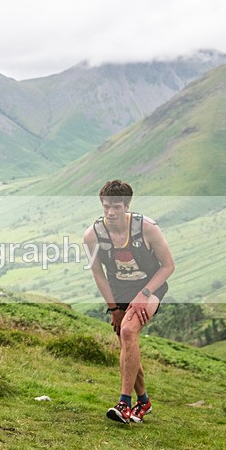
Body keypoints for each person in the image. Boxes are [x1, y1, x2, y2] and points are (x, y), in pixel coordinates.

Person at [83, 180, 175, 424]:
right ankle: (143, 401)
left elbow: (168, 266)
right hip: (119, 292)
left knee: (128, 331)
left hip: (150, 287)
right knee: (127, 342)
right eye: (106, 207)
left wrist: (144, 294)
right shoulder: (92, 236)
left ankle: (124, 403)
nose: (111, 212)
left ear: (127, 206)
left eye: (116, 207)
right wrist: (113, 308)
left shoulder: (147, 228)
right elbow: (98, 274)